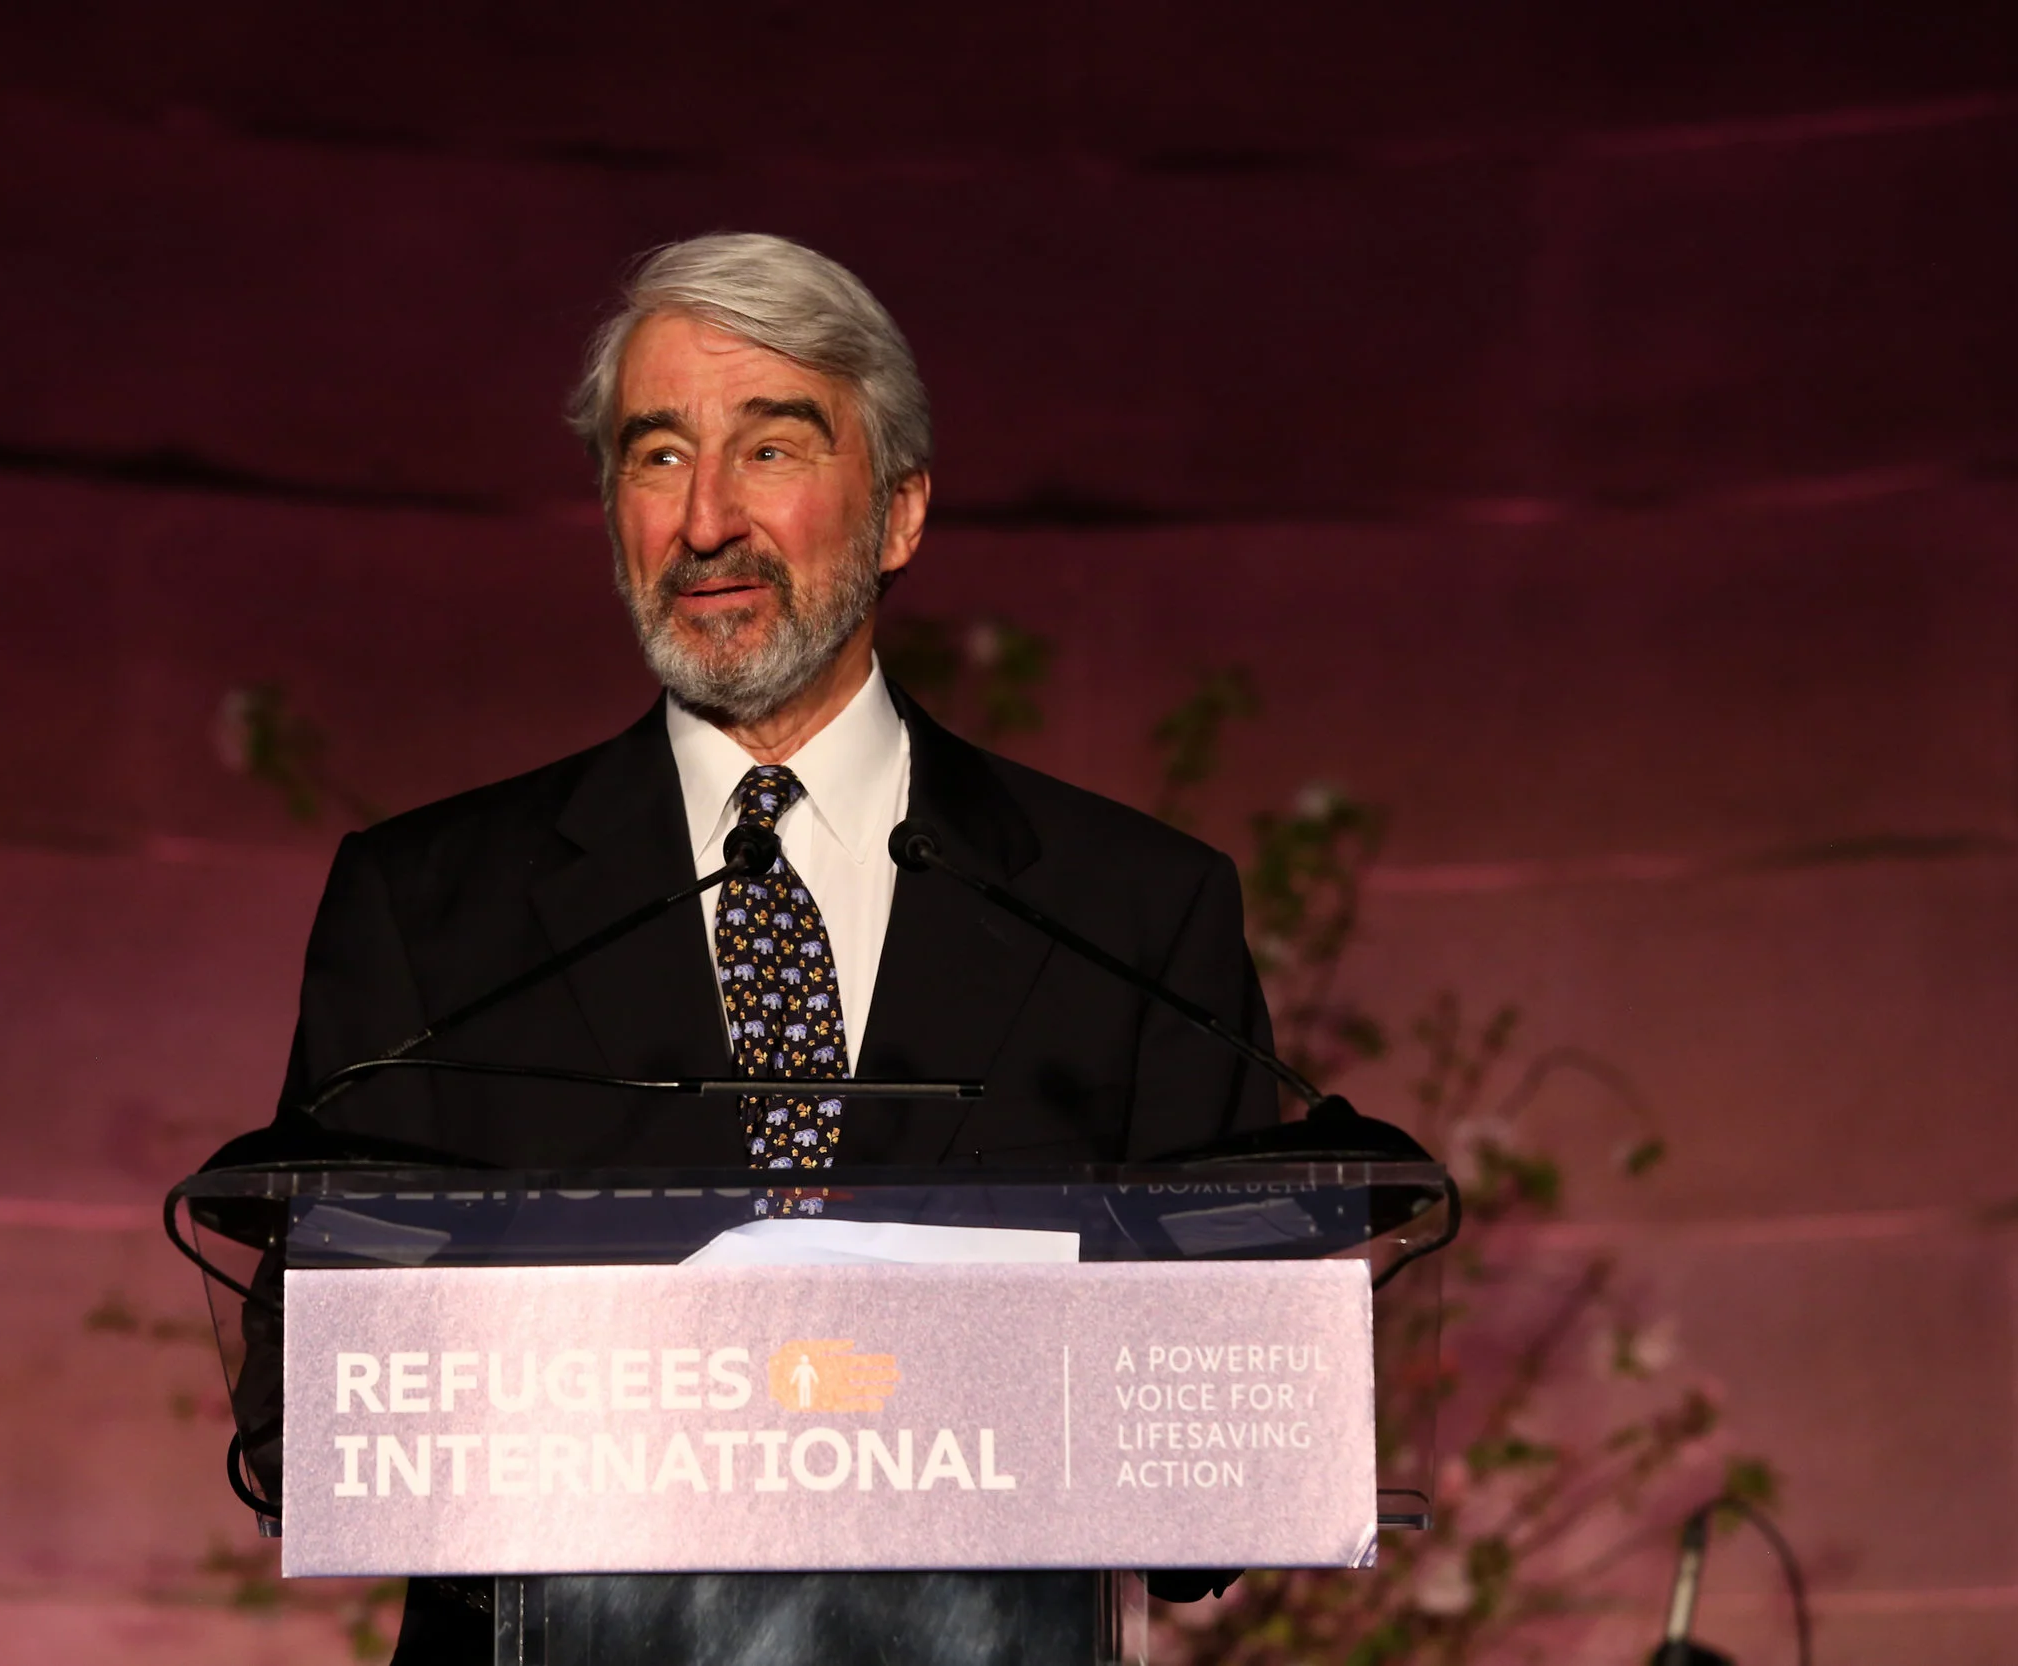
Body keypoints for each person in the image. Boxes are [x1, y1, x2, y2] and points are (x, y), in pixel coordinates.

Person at [272, 232, 1275, 1661]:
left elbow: (1221, 1454)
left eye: (773, 450)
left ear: (902, 512)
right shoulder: (434, 908)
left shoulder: (1129, 911)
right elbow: (306, 1404)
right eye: (658, 455)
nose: (706, 522)